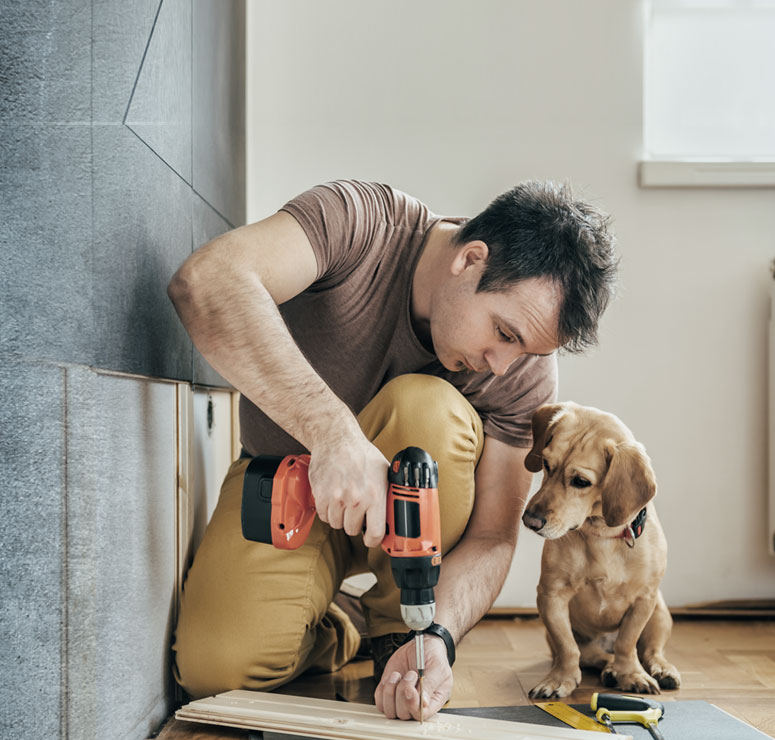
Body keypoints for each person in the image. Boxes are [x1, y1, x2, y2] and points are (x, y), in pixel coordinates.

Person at [167, 179, 617, 721]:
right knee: (216, 672)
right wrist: (334, 435)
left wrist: (442, 635)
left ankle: (401, 628)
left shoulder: (523, 371)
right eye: (503, 332)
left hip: (415, 544)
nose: (502, 364)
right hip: (286, 479)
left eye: (524, 349)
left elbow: (494, 536)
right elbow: (207, 281)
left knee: (426, 406)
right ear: (471, 259)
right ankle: (342, 624)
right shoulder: (359, 223)